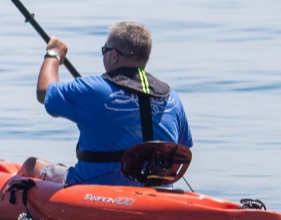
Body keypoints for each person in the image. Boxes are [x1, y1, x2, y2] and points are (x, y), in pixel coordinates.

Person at [18, 21, 193, 186]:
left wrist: (53, 54)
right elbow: (183, 149)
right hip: (157, 195)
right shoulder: (172, 98)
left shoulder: (93, 89)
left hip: (94, 190)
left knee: (31, 165)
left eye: (104, 50)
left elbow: (44, 92)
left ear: (114, 56)